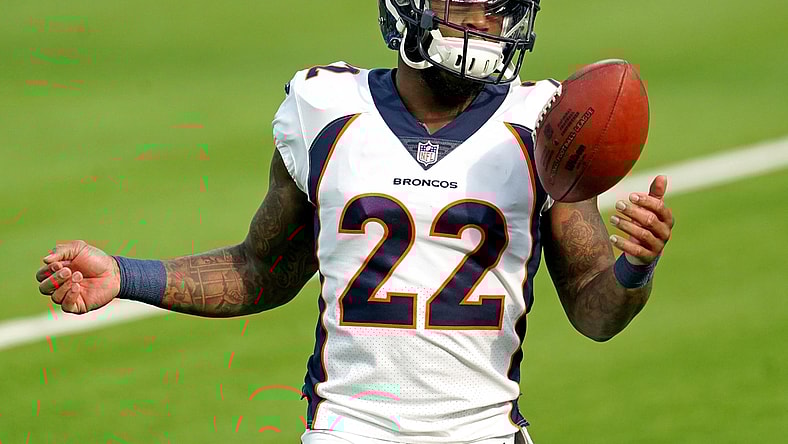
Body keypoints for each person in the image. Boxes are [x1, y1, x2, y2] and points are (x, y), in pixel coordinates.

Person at [35, 1, 674, 443]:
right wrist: (125, 275)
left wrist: (634, 266)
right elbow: (262, 271)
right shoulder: (323, 107)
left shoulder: (544, 123)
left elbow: (595, 311)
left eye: (495, 10)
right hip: (349, 428)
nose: (483, 26)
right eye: (463, 8)